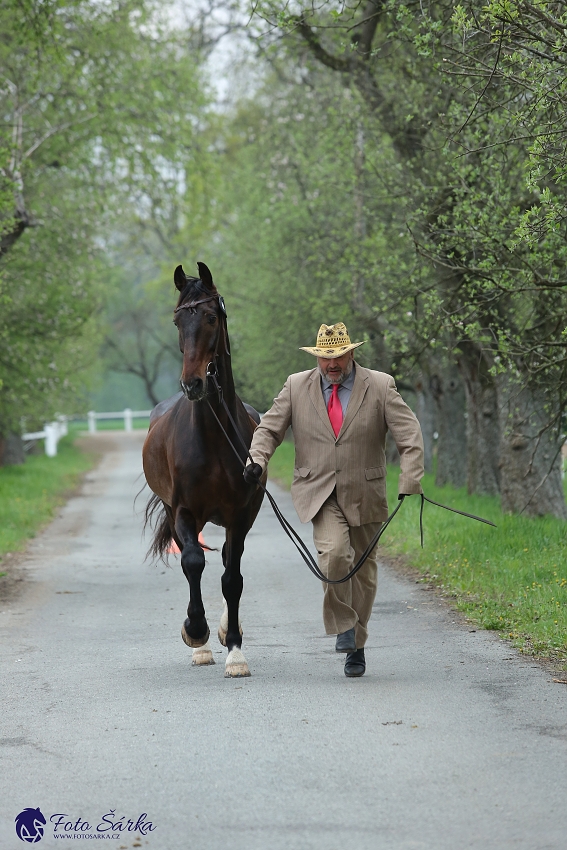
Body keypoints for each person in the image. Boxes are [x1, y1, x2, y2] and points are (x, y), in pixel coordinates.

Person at [243, 322, 424, 677]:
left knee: (365, 573)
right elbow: (269, 428)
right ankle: (344, 626)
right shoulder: (297, 386)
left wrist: (410, 478)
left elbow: (409, 434)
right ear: (317, 358)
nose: (332, 364)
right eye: (325, 358)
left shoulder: (381, 386)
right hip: (319, 492)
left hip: (366, 492)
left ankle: (356, 644)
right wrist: (256, 460)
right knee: (335, 555)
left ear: (351, 353)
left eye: (338, 356)